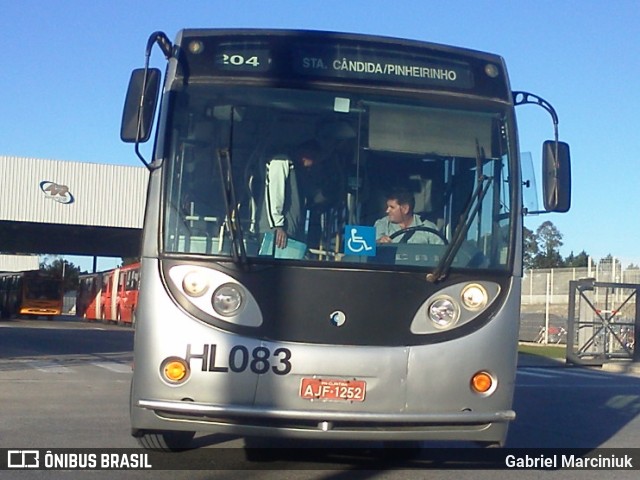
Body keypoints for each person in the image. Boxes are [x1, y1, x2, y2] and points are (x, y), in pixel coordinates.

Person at [259, 140, 326, 250]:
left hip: (287, 232)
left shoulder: (298, 173)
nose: (315, 163)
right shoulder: (281, 161)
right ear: (306, 154)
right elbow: (275, 192)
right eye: (314, 157)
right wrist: (278, 225)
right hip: (274, 232)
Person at [374, 189, 444, 244]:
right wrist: (379, 243)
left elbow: (441, 254)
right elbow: (367, 251)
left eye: (392, 207)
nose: (387, 210)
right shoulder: (382, 224)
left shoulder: (429, 228)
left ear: (405, 209)